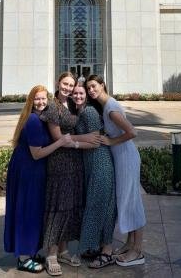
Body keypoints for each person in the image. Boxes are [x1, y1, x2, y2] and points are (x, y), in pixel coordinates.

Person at [4, 85, 73, 274]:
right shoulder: (34, 121)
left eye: (44, 99)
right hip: (28, 170)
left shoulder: (41, 117)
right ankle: (23, 258)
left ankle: (29, 252)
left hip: (32, 170)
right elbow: (37, 154)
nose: (41, 102)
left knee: (32, 210)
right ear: (31, 101)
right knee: (26, 211)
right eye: (37, 99)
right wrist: (61, 141)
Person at [41, 72, 100, 276]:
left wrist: (82, 141)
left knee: (70, 206)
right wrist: (87, 137)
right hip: (59, 162)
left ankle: (64, 250)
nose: (67, 88)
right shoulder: (52, 106)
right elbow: (58, 137)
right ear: (58, 83)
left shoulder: (72, 105)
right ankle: (51, 254)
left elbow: (72, 134)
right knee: (58, 206)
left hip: (75, 162)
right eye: (65, 84)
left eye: (71, 85)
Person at [86, 75, 146, 267]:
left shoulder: (110, 109)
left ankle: (137, 250)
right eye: (88, 88)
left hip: (126, 157)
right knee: (126, 200)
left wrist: (111, 141)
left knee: (132, 201)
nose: (91, 91)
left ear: (102, 85)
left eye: (94, 86)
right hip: (121, 157)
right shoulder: (107, 106)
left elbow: (132, 132)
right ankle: (129, 244)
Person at [72, 83, 117, 269]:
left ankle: (107, 251)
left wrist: (70, 142)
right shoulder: (80, 112)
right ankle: (96, 246)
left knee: (100, 205)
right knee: (97, 204)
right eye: (75, 93)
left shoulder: (89, 112)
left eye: (81, 93)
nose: (78, 96)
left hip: (100, 162)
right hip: (91, 164)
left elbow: (96, 140)